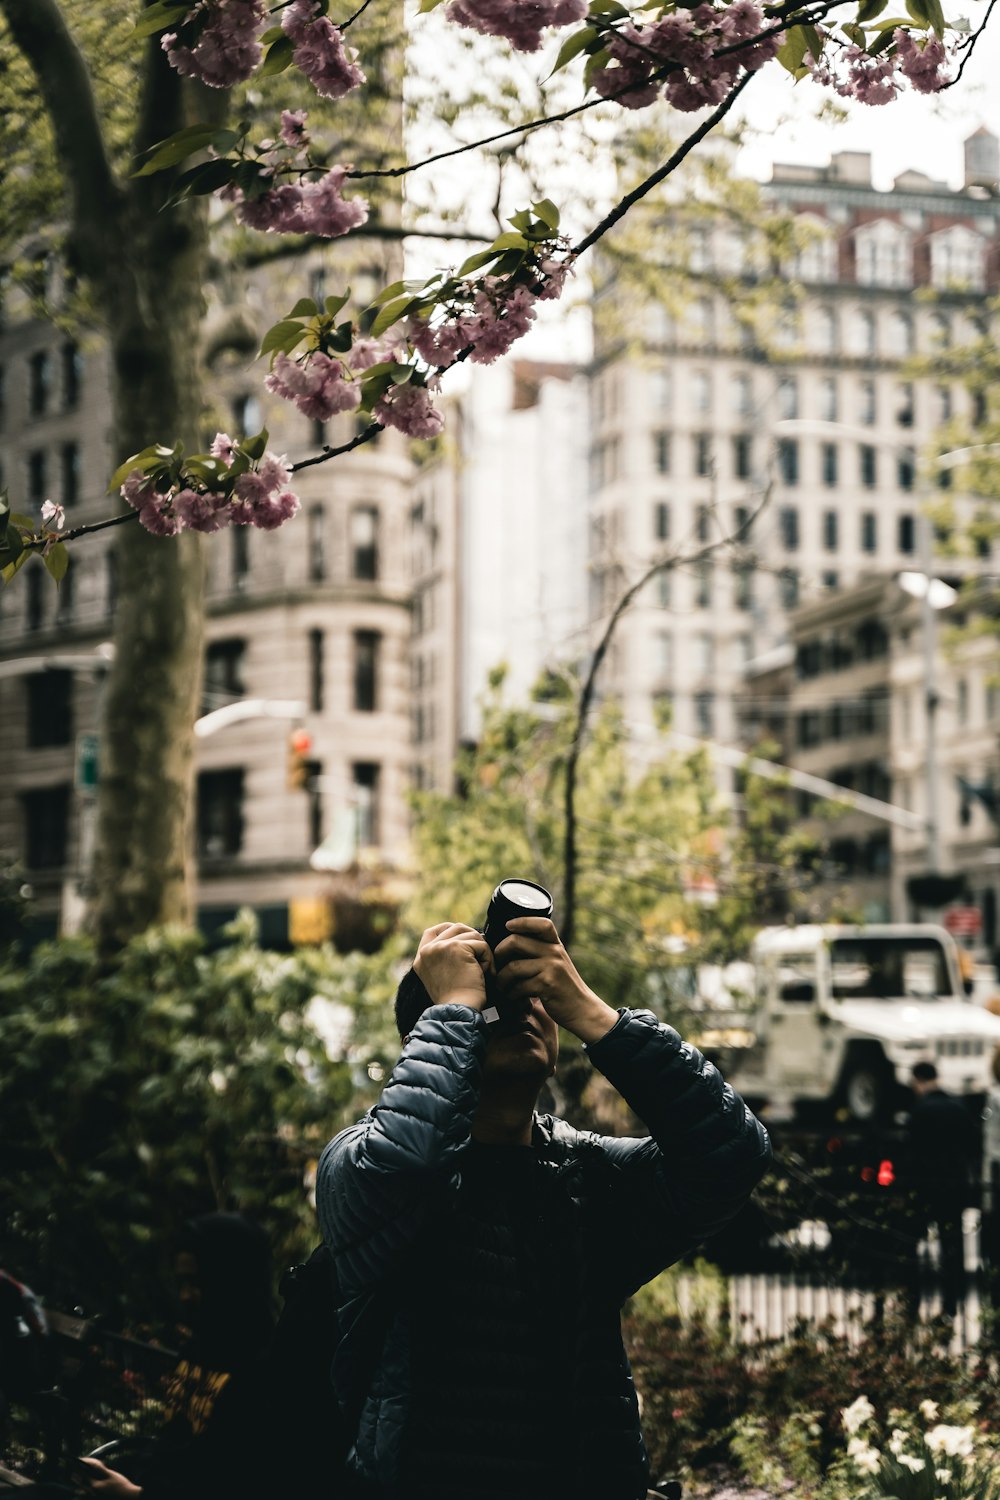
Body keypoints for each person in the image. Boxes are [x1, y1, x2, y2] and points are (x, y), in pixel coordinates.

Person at [316, 914, 772, 1500]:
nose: (519, 1011)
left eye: (532, 998)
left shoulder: (584, 1177)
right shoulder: (356, 1166)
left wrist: (590, 1011)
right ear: (431, 1037)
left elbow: (731, 1157)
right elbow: (410, 1157)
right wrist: (457, 1003)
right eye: (493, 1002)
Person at [77, 1213, 275, 1498]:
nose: (184, 1296)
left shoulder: (262, 1372)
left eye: (196, 1283)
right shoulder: (200, 1347)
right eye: (181, 1283)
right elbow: (173, 1449)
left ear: (232, 1279)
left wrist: (131, 1495)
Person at [904, 1060, 978, 1320]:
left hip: (924, 1188)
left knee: (913, 1248)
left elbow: (909, 1152)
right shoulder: (959, 1109)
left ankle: (912, 1304)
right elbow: (972, 1149)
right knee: (951, 1249)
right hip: (953, 1187)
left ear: (918, 1080)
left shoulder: (918, 1112)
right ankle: (949, 1307)